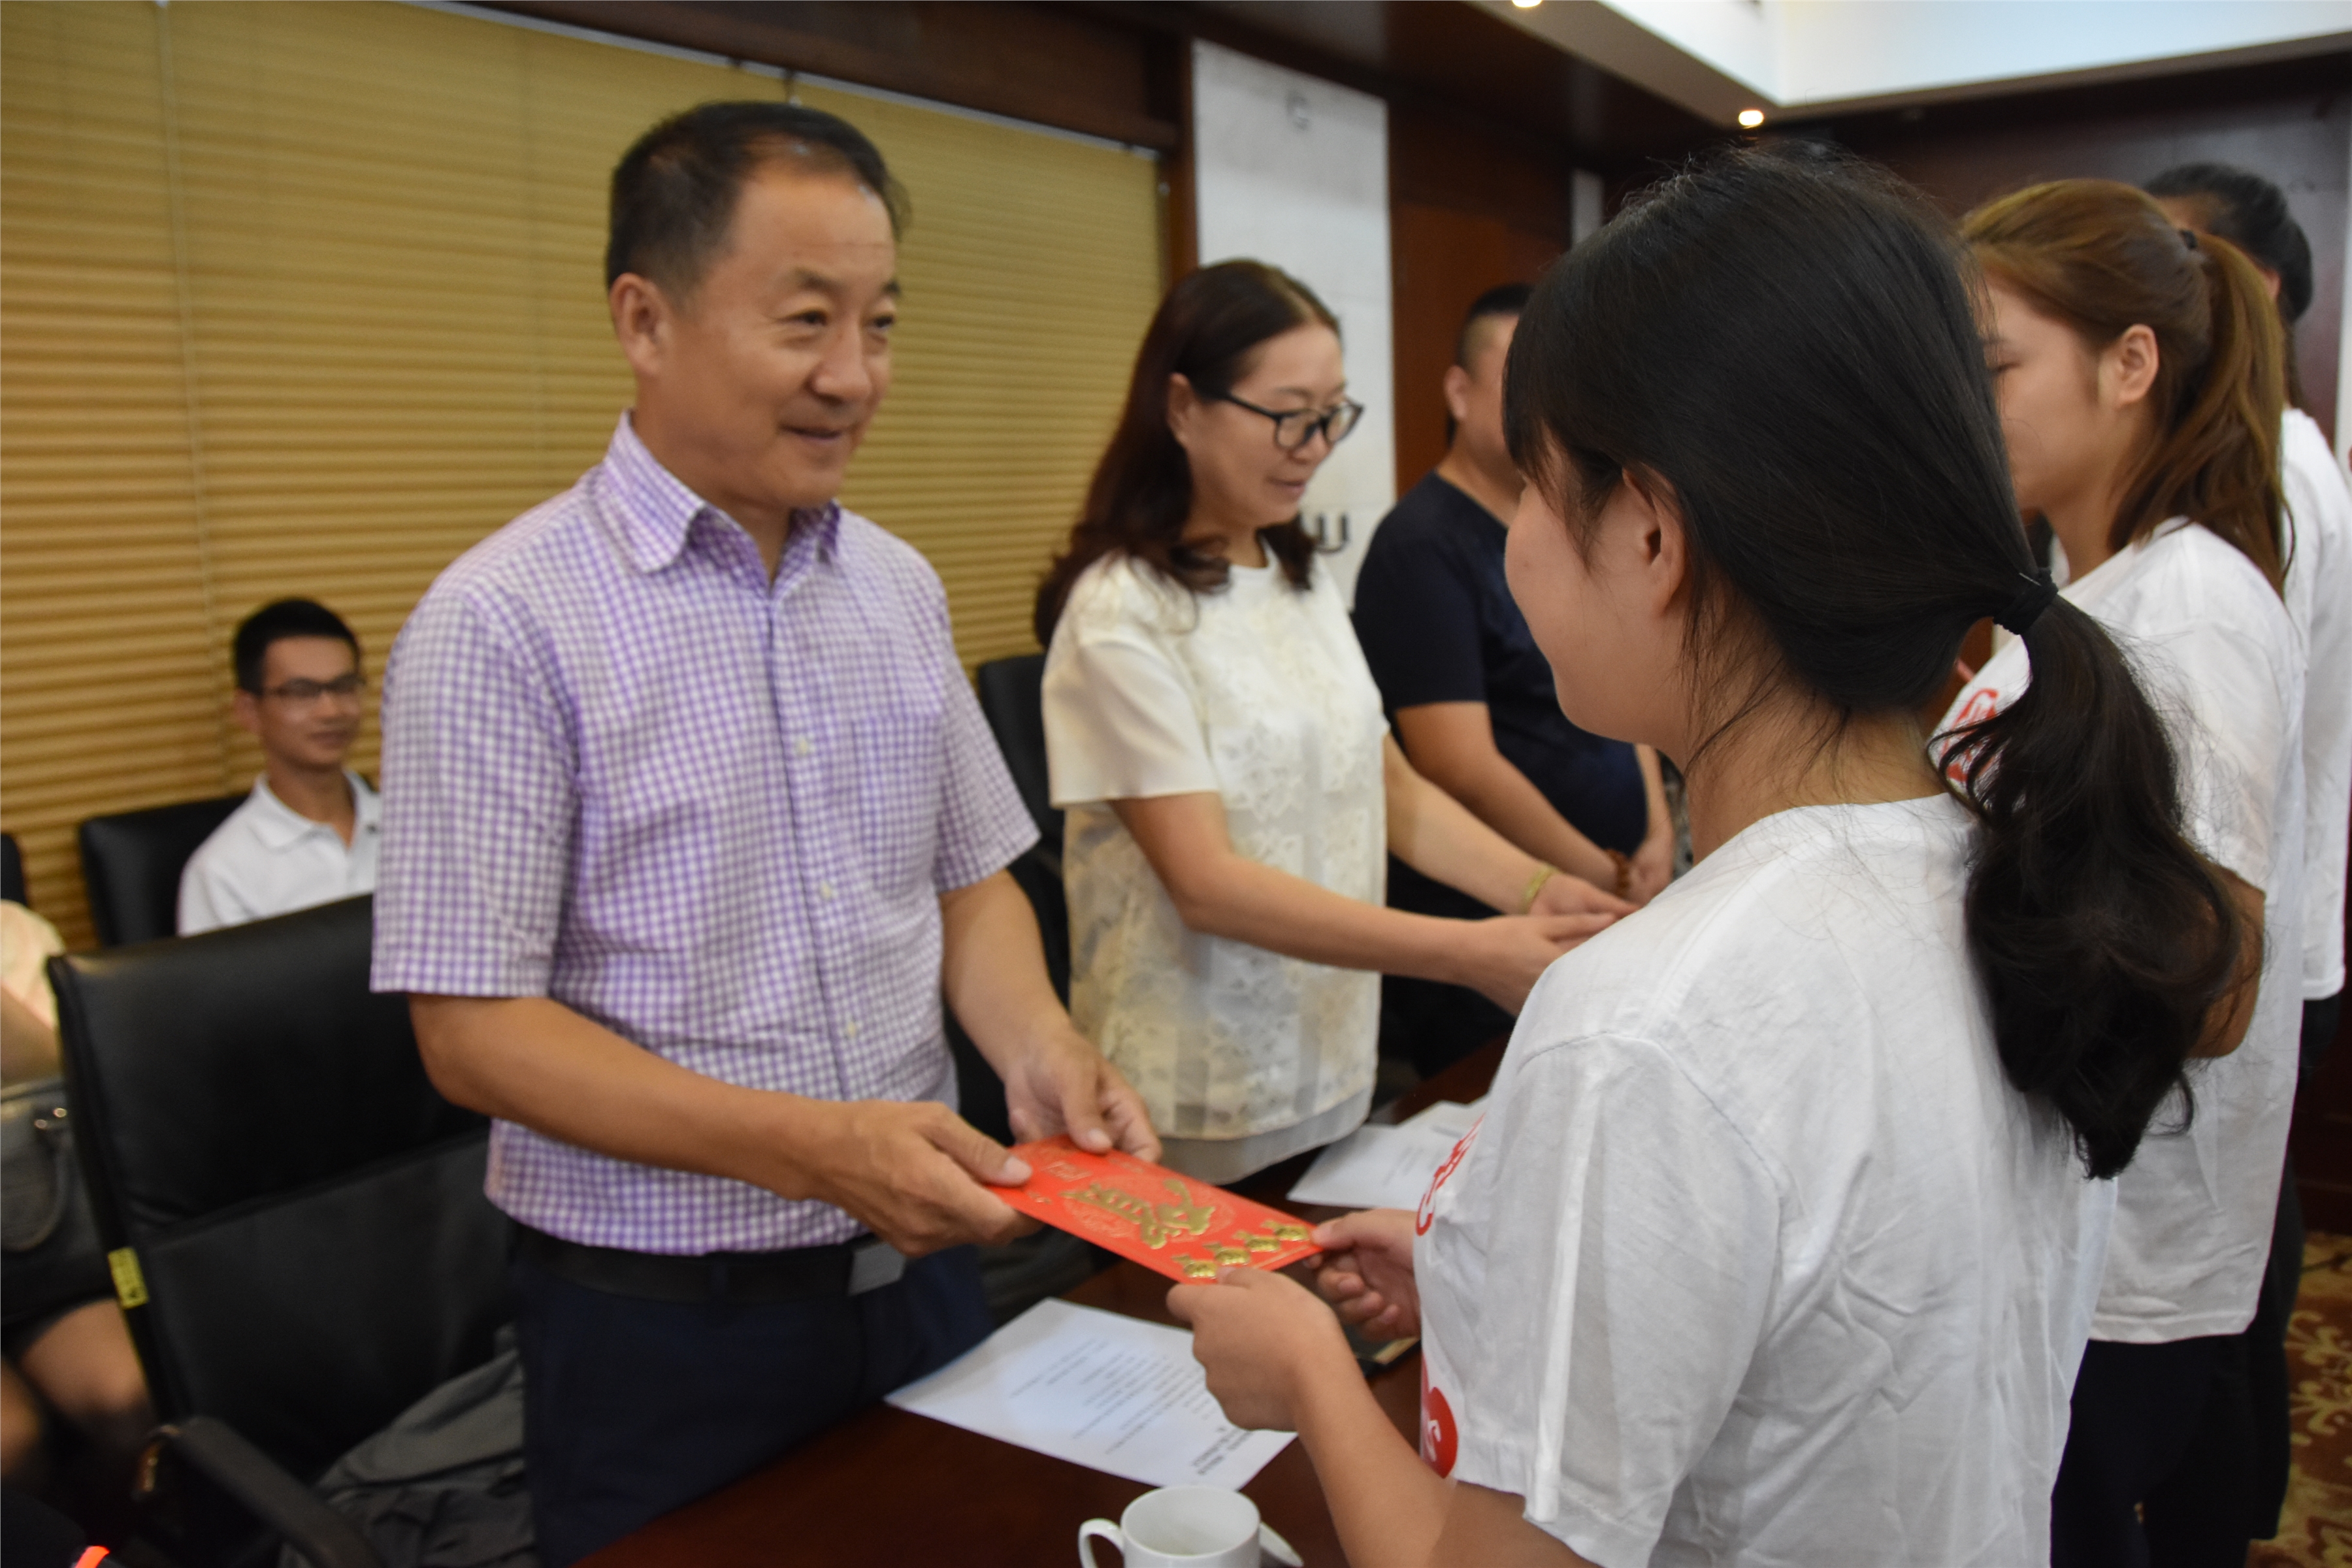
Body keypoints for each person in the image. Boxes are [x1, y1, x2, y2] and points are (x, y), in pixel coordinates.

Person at [1168, 148, 2249, 1567]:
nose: (1517, 561)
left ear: (1655, 532)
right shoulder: (2006, 873)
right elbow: (1840, 1330)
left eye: (1543, 500)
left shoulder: (1647, 1025)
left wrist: (1310, 1377)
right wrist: (1492, 1279)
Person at [370, 102, 1156, 1565]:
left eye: (880, 322)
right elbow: (471, 1032)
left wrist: (1036, 1043)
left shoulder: (897, 590)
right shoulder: (500, 624)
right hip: (664, 1328)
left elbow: (969, 879)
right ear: (645, 320)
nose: (853, 377)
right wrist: (814, 1150)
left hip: (920, 1270)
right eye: (806, 321)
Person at [1035, 261, 1626, 1186]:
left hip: (1331, 1061)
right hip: (1193, 1092)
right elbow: (1208, 885)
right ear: (1182, 406)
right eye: (1287, 415)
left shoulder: (1297, 574)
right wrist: (1469, 952)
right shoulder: (1121, 613)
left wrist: (1535, 887)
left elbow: (1385, 787)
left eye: (1331, 415)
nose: (1312, 446)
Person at [1955, 178, 2304, 1568]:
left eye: (1995, 368)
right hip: (2077, 1214)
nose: (1969, 404)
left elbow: (2213, 975)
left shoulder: (2189, 605)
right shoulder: (2089, 589)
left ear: (2130, 363)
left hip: (2129, 1240)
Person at [2147, 159, 2352, 1551]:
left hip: (2235, 949)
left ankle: (2219, 1526)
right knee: (2238, 1273)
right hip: (2267, 931)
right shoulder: (2267, 457)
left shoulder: (2258, 476)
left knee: (2222, 1292)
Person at [1353, 284, 1674, 1077]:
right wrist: (1599, 873)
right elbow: (1458, 765)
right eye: (1517, 384)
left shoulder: (1570, 521)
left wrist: (1657, 832)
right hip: (1503, 907)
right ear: (1459, 392)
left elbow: (1624, 681)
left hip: (1615, 881)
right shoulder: (1421, 546)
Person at [178, 599, 379, 935]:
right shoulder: (222, 871)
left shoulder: (415, 826)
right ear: (248, 711)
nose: (330, 711)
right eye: (302, 692)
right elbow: (224, 988)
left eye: (344, 687)